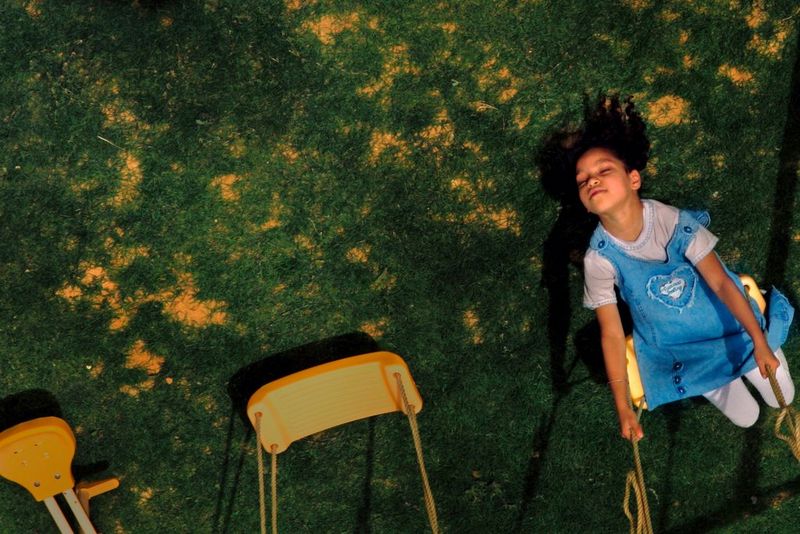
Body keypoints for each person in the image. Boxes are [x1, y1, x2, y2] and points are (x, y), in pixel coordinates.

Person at [568, 95, 795, 441]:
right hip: (679, 349)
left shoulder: (673, 222)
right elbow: (612, 334)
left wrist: (759, 340)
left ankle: (742, 355)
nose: (591, 180)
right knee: (746, 417)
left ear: (633, 180)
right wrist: (623, 408)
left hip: (729, 324)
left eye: (603, 170)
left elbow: (720, 284)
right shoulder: (597, 258)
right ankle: (711, 376)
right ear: (584, 201)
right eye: (583, 179)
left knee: (785, 396)